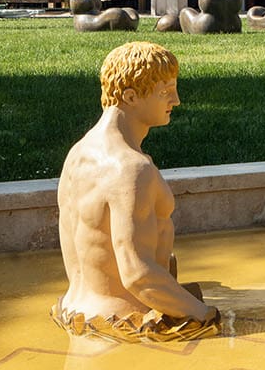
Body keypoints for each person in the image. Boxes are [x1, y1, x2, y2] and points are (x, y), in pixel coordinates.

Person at [53, 41, 219, 341]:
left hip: (74, 310)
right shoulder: (130, 170)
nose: (177, 100)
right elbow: (138, 274)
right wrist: (203, 314)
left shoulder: (79, 153)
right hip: (126, 320)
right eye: (165, 91)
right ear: (131, 96)